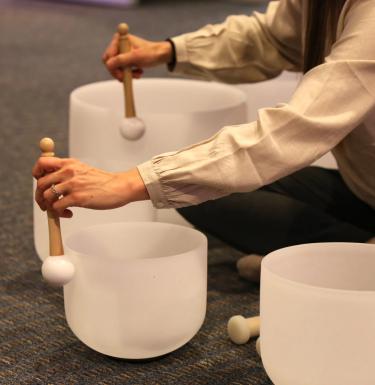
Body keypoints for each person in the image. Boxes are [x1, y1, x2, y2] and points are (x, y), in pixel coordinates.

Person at [33, 0, 375, 282]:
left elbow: (294, 129)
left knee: (187, 179)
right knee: (202, 190)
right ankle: (345, 258)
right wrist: (168, 51)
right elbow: (269, 38)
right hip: (365, 189)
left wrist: (125, 183)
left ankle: (353, 261)